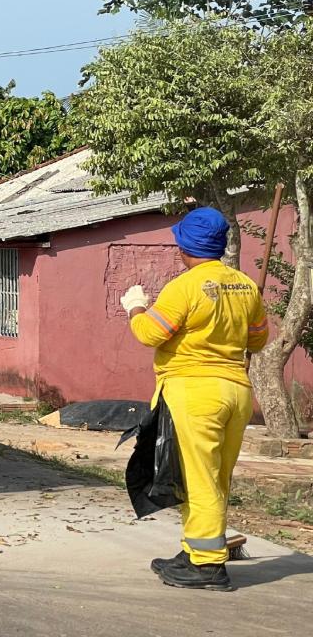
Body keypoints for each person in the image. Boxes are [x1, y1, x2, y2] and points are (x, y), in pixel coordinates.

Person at [120, 207, 269, 592]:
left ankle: (206, 566)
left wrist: (135, 306)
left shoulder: (184, 287)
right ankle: (194, 550)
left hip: (194, 392)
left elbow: (150, 333)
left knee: (198, 479)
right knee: (214, 477)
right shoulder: (245, 286)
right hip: (236, 392)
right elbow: (258, 340)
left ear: (184, 244)